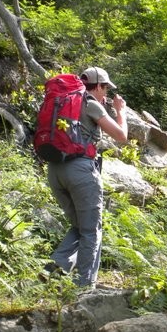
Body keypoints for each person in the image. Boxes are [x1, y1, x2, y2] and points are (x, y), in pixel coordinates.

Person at [42, 67, 128, 288]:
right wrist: (121, 111)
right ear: (98, 85)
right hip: (80, 171)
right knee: (91, 230)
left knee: (80, 226)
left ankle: (55, 268)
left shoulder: (62, 102)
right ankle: (85, 287)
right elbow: (121, 135)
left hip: (55, 169)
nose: (106, 93)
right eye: (105, 88)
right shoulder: (90, 103)